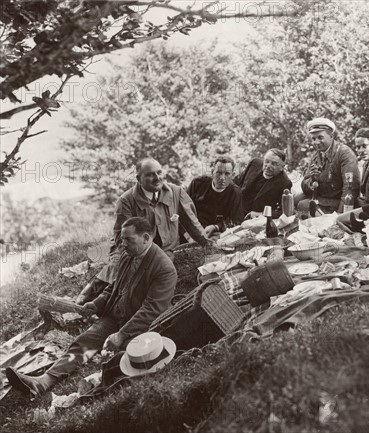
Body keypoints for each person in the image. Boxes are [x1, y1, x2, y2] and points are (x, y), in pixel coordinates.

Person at [6, 217, 177, 398]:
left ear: (146, 238)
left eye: (129, 240)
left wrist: (122, 334)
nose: (123, 244)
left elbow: (151, 310)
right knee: (84, 341)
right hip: (114, 318)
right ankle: (42, 382)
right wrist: (96, 304)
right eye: (122, 239)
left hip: (139, 328)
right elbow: (114, 287)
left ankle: (99, 386)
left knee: (127, 357)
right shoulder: (128, 256)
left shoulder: (164, 269)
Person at [76, 157, 209, 304]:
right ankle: (81, 302)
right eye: (150, 174)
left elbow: (192, 223)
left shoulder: (176, 192)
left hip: (166, 250)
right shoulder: (126, 200)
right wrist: (125, 255)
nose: (157, 178)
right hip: (134, 248)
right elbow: (120, 235)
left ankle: (111, 304)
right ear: (138, 178)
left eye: (159, 172)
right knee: (119, 267)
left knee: (152, 275)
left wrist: (208, 243)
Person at [295, 117, 360, 213]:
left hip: (338, 201)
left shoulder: (344, 153)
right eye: (313, 139)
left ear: (331, 136)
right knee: (294, 199)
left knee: (303, 205)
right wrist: (312, 181)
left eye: (320, 137)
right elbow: (305, 186)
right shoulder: (316, 156)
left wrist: (341, 215)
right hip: (323, 197)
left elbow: (351, 188)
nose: (316, 142)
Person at [187, 155, 244, 237]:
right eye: (219, 173)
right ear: (212, 172)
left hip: (218, 234)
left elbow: (237, 221)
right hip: (192, 230)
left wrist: (216, 227)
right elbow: (183, 209)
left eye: (227, 174)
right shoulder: (197, 184)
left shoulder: (235, 192)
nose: (222, 178)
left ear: (233, 175)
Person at [234, 148, 293, 219]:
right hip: (235, 208)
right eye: (266, 161)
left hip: (253, 219)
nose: (268, 166)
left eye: (274, 164)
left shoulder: (285, 183)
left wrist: (261, 214)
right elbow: (237, 183)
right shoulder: (254, 163)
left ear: (282, 167)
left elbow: (284, 212)